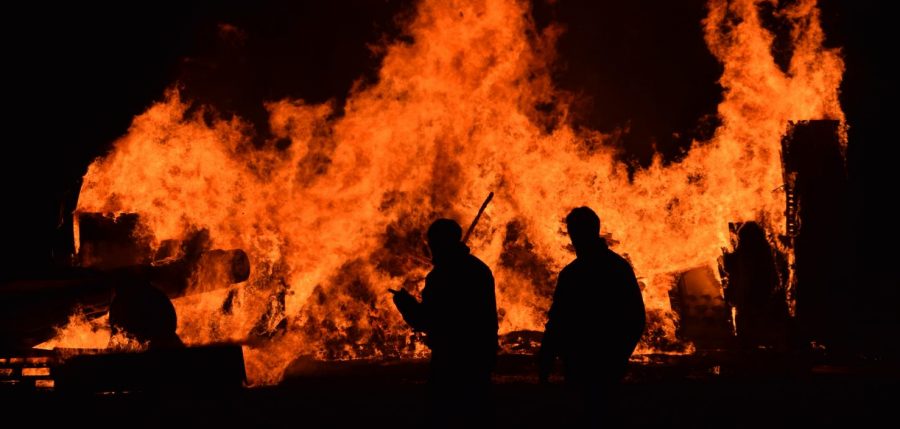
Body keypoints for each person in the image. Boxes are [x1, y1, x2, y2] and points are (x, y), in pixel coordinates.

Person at [538, 206, 645, 423]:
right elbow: (636, 317)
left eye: (574, 231)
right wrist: (620, 355)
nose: (573, 236)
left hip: (584, 361)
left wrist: (547, 358)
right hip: (601, 360)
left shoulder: (574, 273)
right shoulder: (618, 267)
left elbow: (558, 321)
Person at [392, 218, 498, 425]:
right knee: (477, 413)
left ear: (438, 243)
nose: (432, 249)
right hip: (480, 353)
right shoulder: (479, 269)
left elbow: (427, 319)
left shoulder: (441, 276)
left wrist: (405, 304)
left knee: (444, 414)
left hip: (451, 358)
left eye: (433, 243)